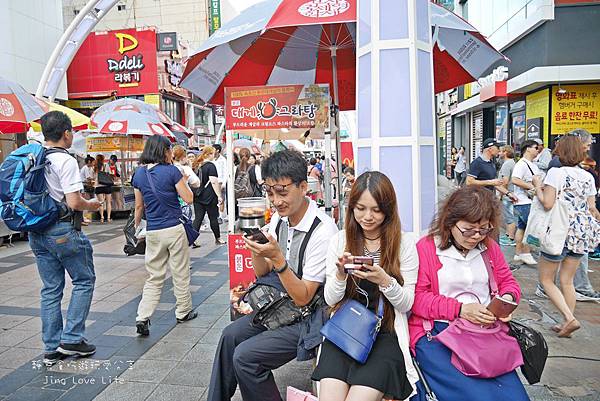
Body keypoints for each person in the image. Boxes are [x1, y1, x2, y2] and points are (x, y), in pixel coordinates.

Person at [207, 150, 338, 401]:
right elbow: (263, 272)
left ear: (303, 187)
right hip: (281, 309)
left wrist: (278, 259)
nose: (276, 201)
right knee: (229, 336)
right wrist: (256, 248)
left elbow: (304, 298)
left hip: (310, 319)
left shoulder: (323, 231)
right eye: (270, 192)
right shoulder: (280, 218)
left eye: (282, 191)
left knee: (246, 357)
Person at [408, 186, 528, 401]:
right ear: (450, 222)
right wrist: (461, 310)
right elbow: (417, 298)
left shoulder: (489, 246)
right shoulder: (427, 248)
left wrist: (507, 300)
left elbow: (508, 282)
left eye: (483, 229)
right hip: (439, 333)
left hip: (485, 333)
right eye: (468, 229)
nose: (475, 236)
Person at [312, 171, 419, 401]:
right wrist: (340, 275)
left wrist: (385, 281)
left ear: (388, 210)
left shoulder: (404, 243)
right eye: (360, 208)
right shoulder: (340, 240)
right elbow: (330, 300)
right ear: (351, 208)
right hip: (344, 331)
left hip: (384, 334)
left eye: (376, 210)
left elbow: (407, 303)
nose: (367, 216)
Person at [30, 111, 102, 366]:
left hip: (36, 232)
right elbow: (73, 202)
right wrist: (92, 205)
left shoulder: (35, 157)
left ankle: (51, 347)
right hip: (61, 231)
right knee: (84, 280)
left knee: (51, 289)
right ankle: (72, 337)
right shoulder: (65, 160)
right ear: (66, 133)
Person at [532, 135, 600, 337]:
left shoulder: (555, 173)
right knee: (568, 280)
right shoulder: (588, 176)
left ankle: (570, 319)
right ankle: (566, 325)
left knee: (546, 279)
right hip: (580, 232)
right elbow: (592, 208)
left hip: (559, 230)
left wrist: (537, 185)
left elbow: (547, 203)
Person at [132, 136, 198, 336]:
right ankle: (183, 311)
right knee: (180, 272)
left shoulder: (139, 174)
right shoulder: (171, 171)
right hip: (174, 229)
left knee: (154, 276)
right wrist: (184, 182)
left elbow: (138, 206)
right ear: (164, 151)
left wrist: (137, 229)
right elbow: (189, 198)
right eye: (169, 150)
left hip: (153, 231)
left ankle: (143, 316)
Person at [510, 140, 541, 266]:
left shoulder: (532, 164)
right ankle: (526, 253)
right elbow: (515, 179)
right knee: (532, 227)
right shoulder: (522, 164)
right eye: (536, 147)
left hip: (525, 201)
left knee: (522, 227)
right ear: (527, 148)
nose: (538, 150)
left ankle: (518, 253)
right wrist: (532, 187)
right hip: (524, 201)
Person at [466, 139, 518, 203]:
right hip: (478, 201)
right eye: (497, 147)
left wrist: (508, 194)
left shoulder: (491, 163)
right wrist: (490, 182)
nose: (499, 150)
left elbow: (495, 183)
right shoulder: (477, 162)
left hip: (489, 199)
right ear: (490, 149)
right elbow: (469, 182)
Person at [192, 146, 225, 246]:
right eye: (213, 154)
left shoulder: (198, 165)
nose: (214, 156)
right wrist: (219, 195)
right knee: (213, 218)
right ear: (208, 154)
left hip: (197, 195)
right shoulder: (210, 166)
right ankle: (218, 238)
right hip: (209, 196)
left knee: (198, 218)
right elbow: (214, 182)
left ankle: (192, 239)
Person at [498, 145, 516, 246]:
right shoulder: (512, 162)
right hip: (510, 193)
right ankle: (508, 235)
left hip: (507, 194)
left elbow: (504, 181)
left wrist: (501, 194)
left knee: (509, 217)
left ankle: (510, 238)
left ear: (505, 152)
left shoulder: (507, 164)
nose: (499, 153)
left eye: (500, 151)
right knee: (510, 215)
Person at [94, 154, 113, 223]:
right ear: (103, 159)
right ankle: (108, 218)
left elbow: (92, 176)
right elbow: (110, 174)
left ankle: (102, 218)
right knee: (108, 202)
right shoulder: (106, 165)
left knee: (101, 203)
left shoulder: (94, 167)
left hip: (98, 186)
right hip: (107, 186)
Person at [213, 144, 228, 222]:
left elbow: (226, 172)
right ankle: (215, 214)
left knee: (221, 199)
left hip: (220, 182)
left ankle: (221, 216)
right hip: (213, 182)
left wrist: (224, 183)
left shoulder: (223, 160)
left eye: (213, 149)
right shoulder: (212, 159)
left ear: (217, 150)